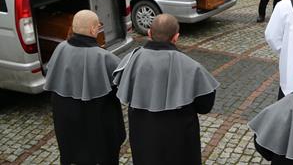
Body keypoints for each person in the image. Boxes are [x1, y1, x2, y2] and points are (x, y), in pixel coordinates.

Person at [113, 14, 219, 165]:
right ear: (176, 37)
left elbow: (121, 89)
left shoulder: (130, 60)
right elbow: (205, 106)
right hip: (180, 144)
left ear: (149, 33)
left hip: (144, 141)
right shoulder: (192, 67)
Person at [44, 10, 125, 165]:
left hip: (69, 134)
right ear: (92, 30)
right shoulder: (104, 58)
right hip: (99, 136)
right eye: (98, 26)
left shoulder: (60, 49)